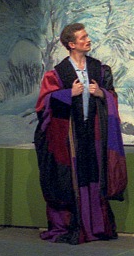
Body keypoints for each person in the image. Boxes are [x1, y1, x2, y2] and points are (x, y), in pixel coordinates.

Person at [34, 23, 127, 244]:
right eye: (83, 37)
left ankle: (97, 226)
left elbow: (111, 95)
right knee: (72, 178)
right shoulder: (57, 74)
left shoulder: (99, 69)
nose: (88, 40)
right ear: (71, 44)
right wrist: (68, 94)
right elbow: (43, 104)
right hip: (70, 137)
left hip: (94, 133)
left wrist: (102, 94)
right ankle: (71, 225)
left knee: (95, 174)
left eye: (87, 36)